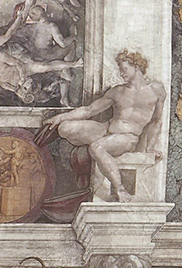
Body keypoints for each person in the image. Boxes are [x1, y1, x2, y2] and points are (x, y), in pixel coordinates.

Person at [50, 50, 165, 202]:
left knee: (96, 147)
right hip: (106, 128)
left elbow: (156, 121)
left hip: (127, 138)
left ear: (136, 67)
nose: (121, 73)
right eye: (120, 70)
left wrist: (150, 147)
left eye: (124, 69)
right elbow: (89, 110)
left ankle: (120, 189)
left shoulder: (156, 90)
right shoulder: (117, 91)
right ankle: (91, 150)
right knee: (64, 128)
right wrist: (60, 117)